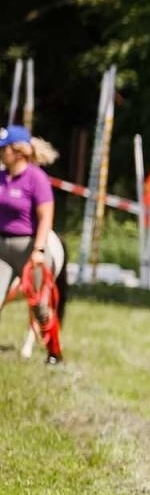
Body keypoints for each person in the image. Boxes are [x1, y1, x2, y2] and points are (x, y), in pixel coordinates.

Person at [0, 125, 65, 362]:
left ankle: (54, 351)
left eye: (4, 149)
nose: (1, 153)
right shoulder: (1, 177)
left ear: (18, 151)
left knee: (40, 307)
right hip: (3, 249)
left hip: (29, 248)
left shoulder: (36, 178)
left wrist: (38, 250)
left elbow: (45, 216)